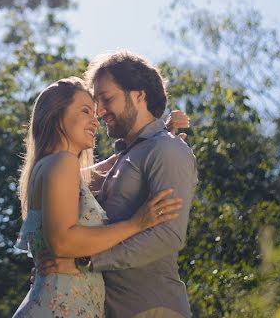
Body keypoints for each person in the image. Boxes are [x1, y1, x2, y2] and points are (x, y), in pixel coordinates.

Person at [13, 76, 184, 318]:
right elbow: (63, 242)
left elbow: (117, 163)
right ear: (55, 115)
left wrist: (160, 135)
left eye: (94, 113)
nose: (95, 121)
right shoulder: (62, 162)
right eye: (85, 111)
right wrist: (137, 223)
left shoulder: (53, 165)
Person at [80, 51, 198, 318]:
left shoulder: (167, 150)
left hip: (152, 309)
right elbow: (69, 181)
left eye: (107, 99)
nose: (99, 112)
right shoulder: (126, 156)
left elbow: (169, 236)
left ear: (139, 95)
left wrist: (91, 262)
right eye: (96, 102)